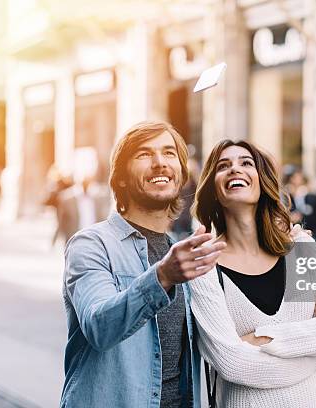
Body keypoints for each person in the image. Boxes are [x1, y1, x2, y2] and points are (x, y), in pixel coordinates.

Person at [61, 121, 226, 408]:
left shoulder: (184, 250)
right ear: (121, 178)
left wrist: (294, 251)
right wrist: (162, 277)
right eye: (144, 154)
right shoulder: (91, 244)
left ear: (180, 175)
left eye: (169, 153)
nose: (160, 163)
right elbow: (98, 326)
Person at [189, 140, 316, 407]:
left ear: (262, 180)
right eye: (223, 166)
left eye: (246, 163)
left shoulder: (300, 247)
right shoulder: (203, 267)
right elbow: (232, 364)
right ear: (213, 189)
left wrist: (262, 338)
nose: (235, 169)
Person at [56, 154, 110, 245]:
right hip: (74, 243)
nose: (85, 176)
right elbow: (61, 224)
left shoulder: (102, 195)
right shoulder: (66, 198)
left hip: (97, 243)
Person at [284, 168, 316, 242]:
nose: (299, 179)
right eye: (296, 177)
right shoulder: (284, 196)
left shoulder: (311, 197)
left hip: (311, 235)